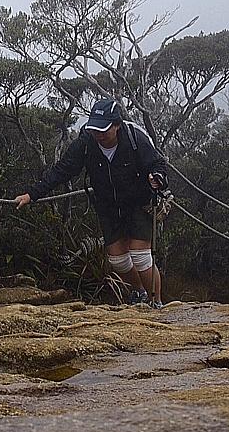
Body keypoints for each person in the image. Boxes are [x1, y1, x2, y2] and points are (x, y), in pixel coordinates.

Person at [13, 97, 169, 307]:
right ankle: (138, 291)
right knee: (119, 261)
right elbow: (62, 170)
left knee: (140, 257)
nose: (99, 134)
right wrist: (31, 194)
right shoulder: (86, 143)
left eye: (104, 129)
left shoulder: (134, 138)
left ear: (117, 125)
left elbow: (157, 163)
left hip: (138, 202)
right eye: (95, 129)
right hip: (108, 206)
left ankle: (156, 303)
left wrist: (157, 177)